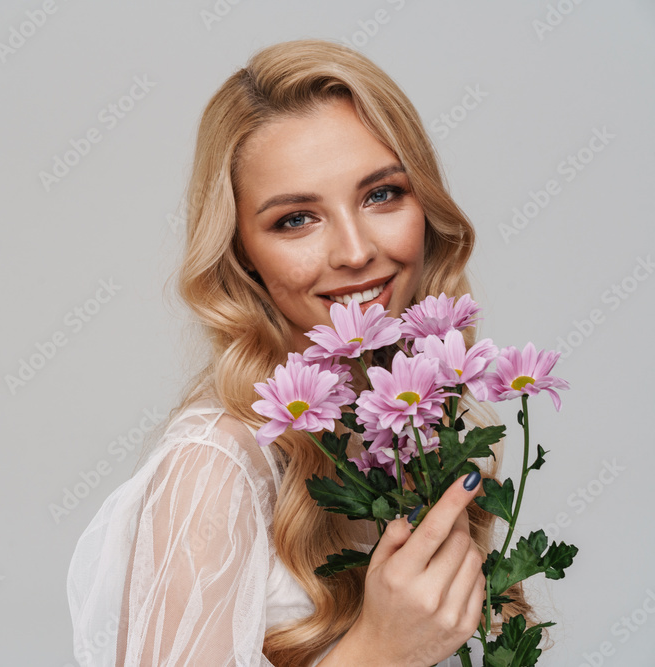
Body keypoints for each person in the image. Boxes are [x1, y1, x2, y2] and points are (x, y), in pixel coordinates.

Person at [67, 38, 546, 666]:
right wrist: (378, 652)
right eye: (295, 219)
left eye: (381, 195)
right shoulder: (211, 472)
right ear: (241, 254)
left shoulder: (418, 438)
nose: (353, 251)